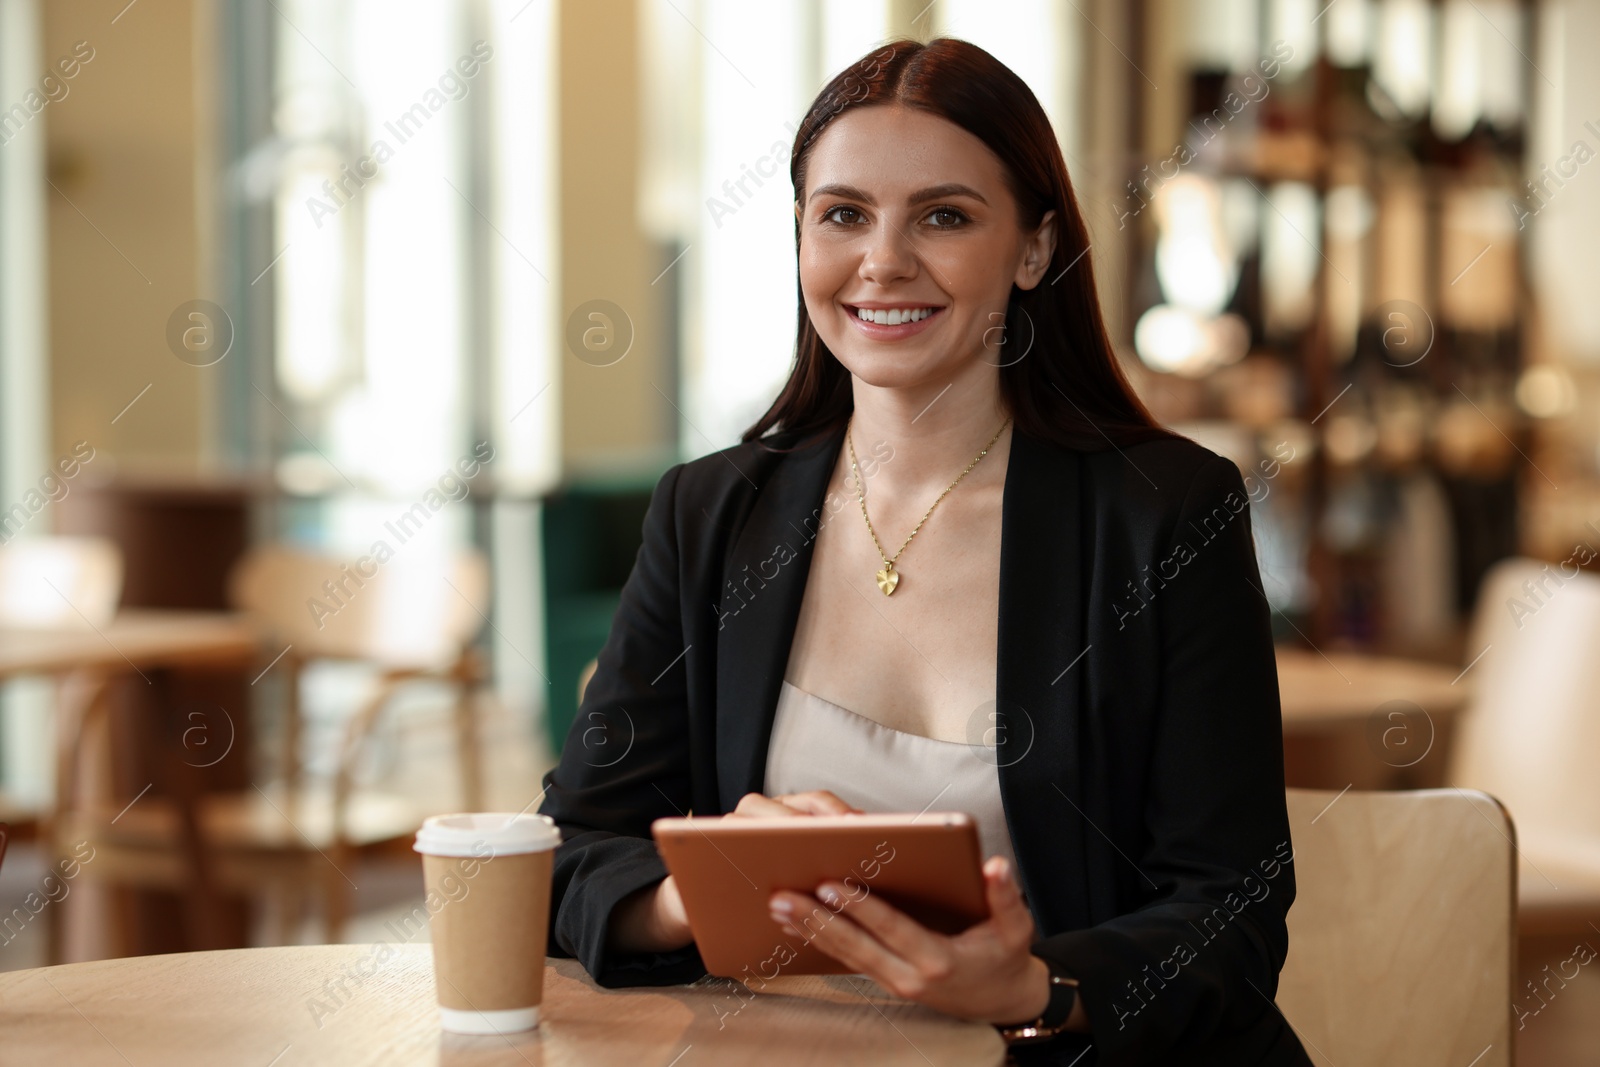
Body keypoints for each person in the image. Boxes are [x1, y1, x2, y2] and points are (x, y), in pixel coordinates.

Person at [538, 37, 1311, 1066]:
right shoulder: (712, 513)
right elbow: (566, 850)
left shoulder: (1165, 513)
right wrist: (696, 893)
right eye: (843, 214)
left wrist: (1037, 986)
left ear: (1033, 249)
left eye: (943, 216)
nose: (883, 260)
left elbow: (1230, 914)